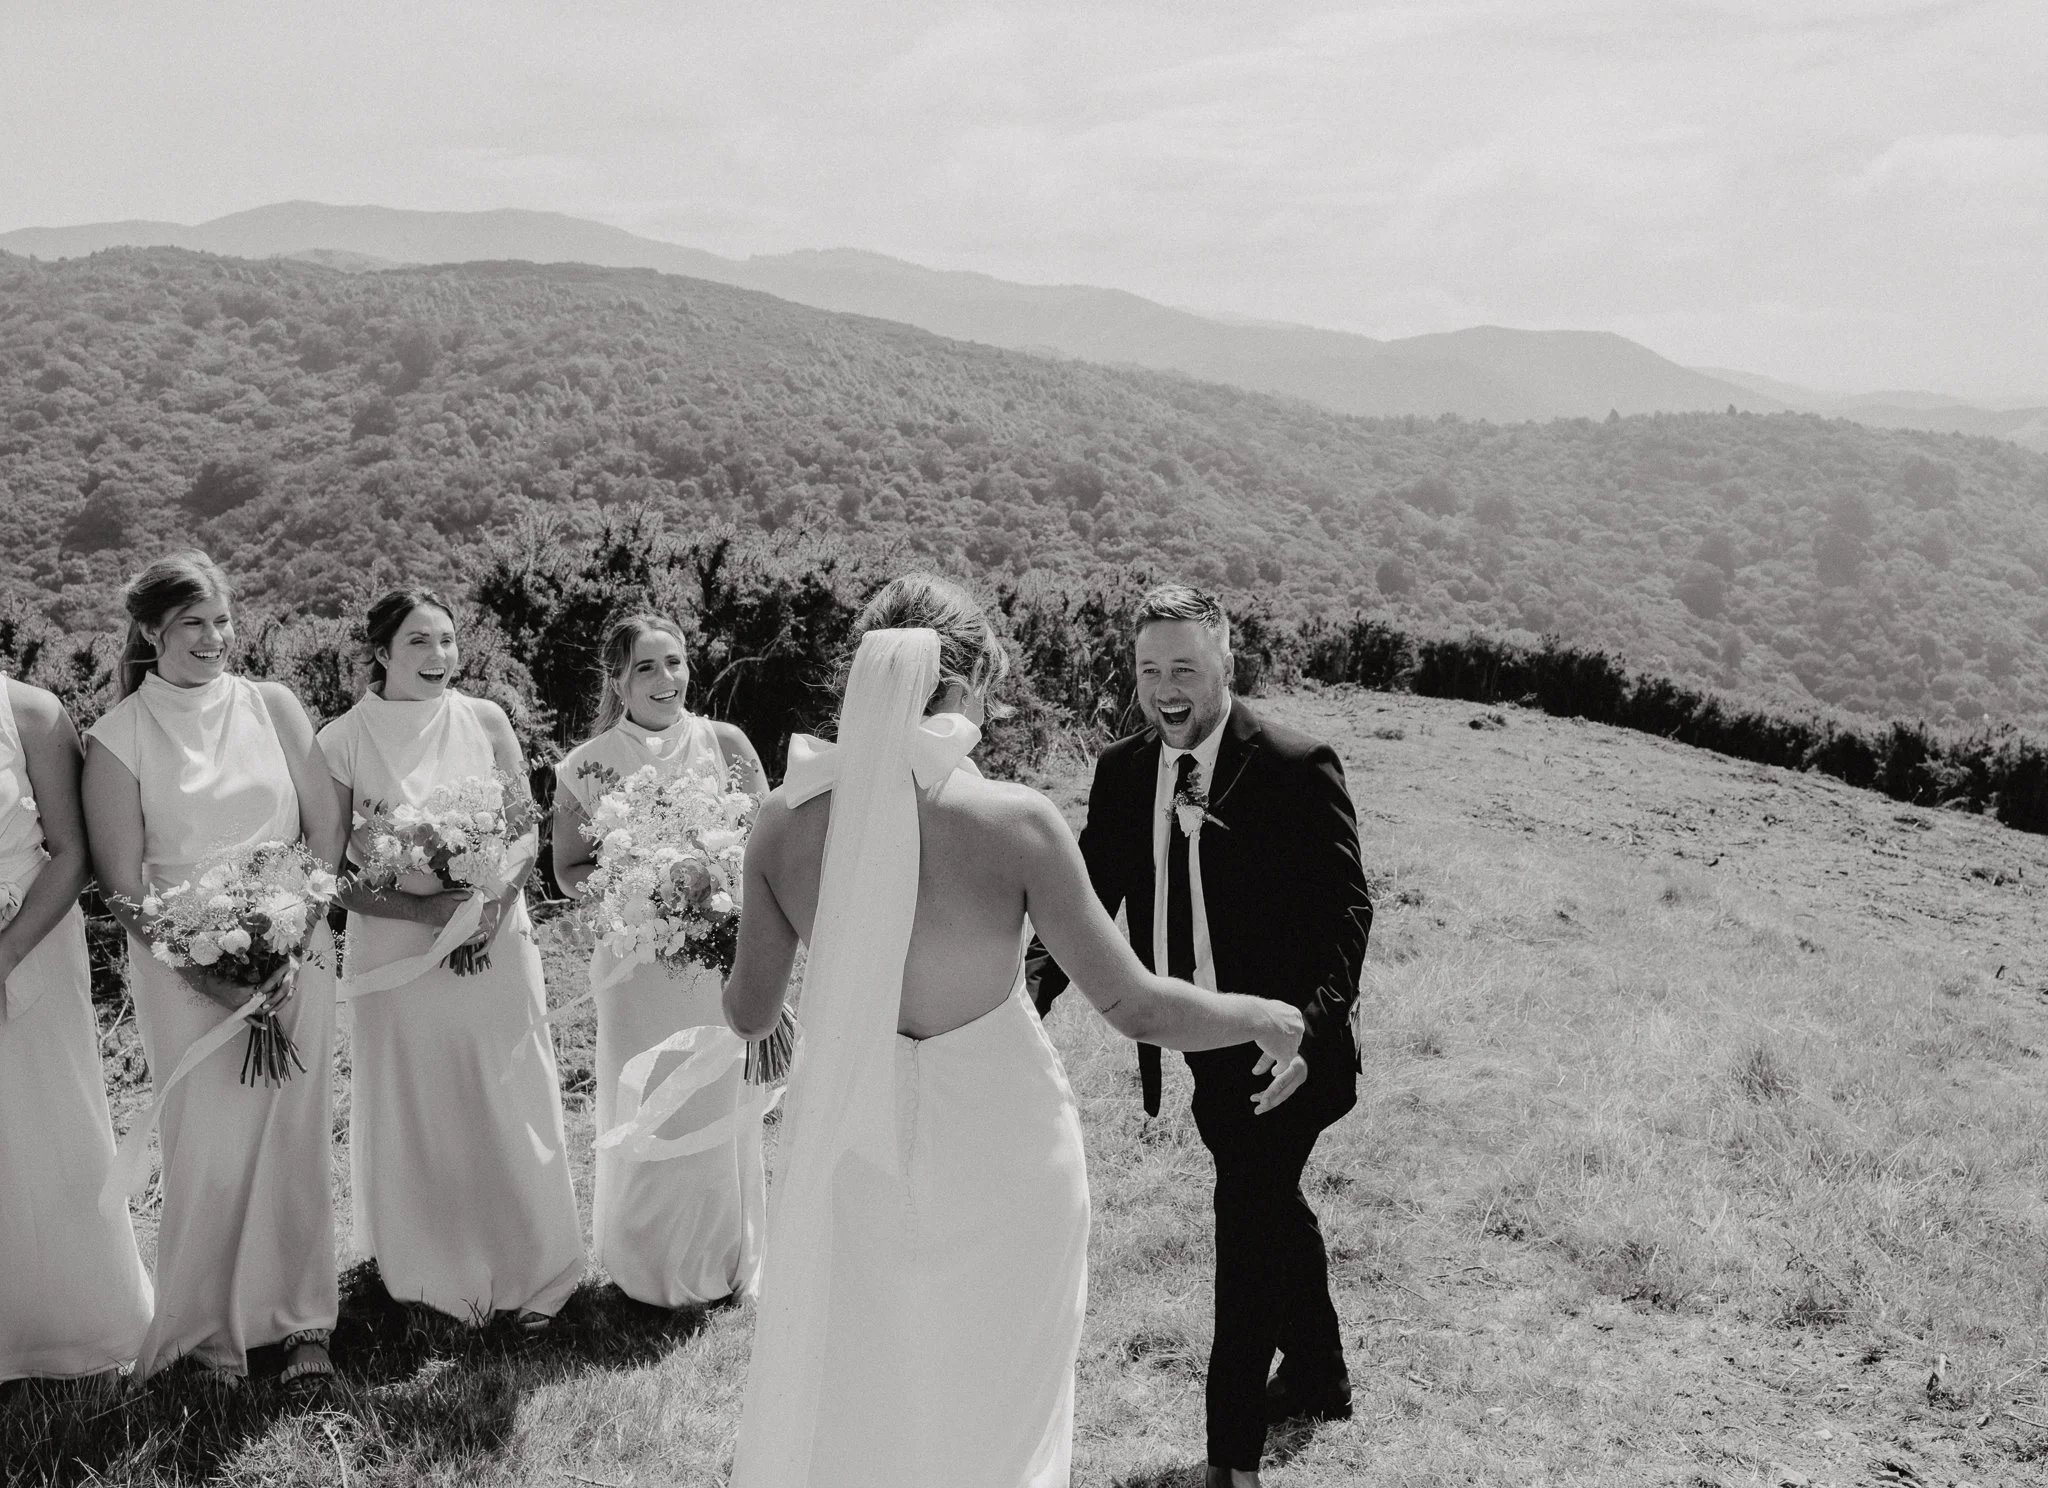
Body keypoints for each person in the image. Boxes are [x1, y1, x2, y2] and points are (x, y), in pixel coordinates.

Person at [722, 573, 1307, 1488]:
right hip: (1002, 1147)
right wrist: (1261, 1015)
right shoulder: (1014, 822)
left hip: (854, 1144)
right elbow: (1134, 1004)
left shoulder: (782, 822)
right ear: (964, 687)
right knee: (996, 1389)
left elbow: (751, 1014)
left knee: (869, 1373)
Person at [1026, 583, 1372, 1487]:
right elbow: (1085, 896)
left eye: (1184, 667)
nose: (1164, 689)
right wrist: (1026, 994)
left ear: (1226, 662)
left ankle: (1231, 1460)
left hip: (1285, 1053)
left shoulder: (1296, 764)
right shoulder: (1123, 769)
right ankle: (1322, 1373)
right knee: (1270, 1200)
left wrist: (1310, 1033)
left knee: (1246, 1223)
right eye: (1148, 670)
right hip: (1195, 1042)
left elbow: (1347, 915)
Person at [81, 551, 345, 1384]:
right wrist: (210, 973)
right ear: (151, 630)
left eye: (222, 620)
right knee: (209, 1148)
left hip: (299, 951)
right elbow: (122, 890)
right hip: (180, 971)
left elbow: (325, 827)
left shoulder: (274, 705)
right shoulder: (118, 738)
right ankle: (203, 1334)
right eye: (192, 622)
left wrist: (294, 935)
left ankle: (302, 1323)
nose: (213, 637)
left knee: (294, 1135)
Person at [318, 590, 583, 1327]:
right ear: (380, 653)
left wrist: (490, 909)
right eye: (418, 642)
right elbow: (329, 874)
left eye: (446, 640)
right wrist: (430, 914)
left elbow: (525, 829)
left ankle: (534, 1263)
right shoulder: (341, 741)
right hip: (397, 952)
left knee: (509, 1089)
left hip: (496, 938)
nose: (439, 657)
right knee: (419, 1100)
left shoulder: (486, 719)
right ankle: (429, 1275)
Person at [553, 613, 770, 1308]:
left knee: (714, 1098)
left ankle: (723, 1254)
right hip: (635, 967)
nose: (665, 678)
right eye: (645, 667)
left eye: (673, 662)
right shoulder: (584, 765)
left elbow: (767, 840)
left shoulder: (727, 743)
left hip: (715, 960)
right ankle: (644, 1263)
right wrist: (639, 893)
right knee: (643, 1098)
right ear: (617, 680)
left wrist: (723, 895)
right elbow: (567, 870)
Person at [0, 670, 153, 1383]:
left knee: (51, 1122)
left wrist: (6, 953)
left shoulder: (30, 712)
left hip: (29, 940)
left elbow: (74, 852)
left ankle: (76, 1327)